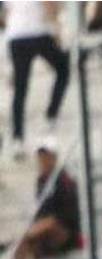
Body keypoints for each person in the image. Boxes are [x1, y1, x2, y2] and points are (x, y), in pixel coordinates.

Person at [5, 138, 80, 259]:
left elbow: (63, 217)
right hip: (45, 231)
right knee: (21, 245)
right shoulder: (41, 181)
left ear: (54, 157)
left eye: (45, 156)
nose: (42, 161)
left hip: (65, 232)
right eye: (40, 157)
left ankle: (17, 241)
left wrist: (33, 231)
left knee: (47, 224)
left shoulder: (64, 180)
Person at [4, 0, 69, 159]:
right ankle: (51, 115)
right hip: (39, 32)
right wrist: (57, 31)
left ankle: (17, 139)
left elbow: (7, 12)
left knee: (20, 89)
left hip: (16, 34)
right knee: (63, 69)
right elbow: (49, 4)